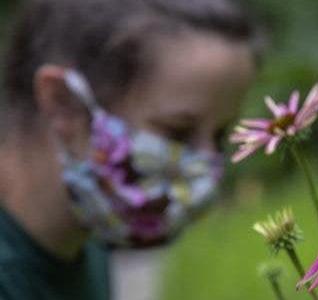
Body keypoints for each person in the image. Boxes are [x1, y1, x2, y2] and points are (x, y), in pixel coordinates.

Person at [0, 0, 259, 299]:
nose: (207, 162)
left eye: (219, 135)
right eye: (177, 132)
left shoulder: (86, 238)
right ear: (63, 102)